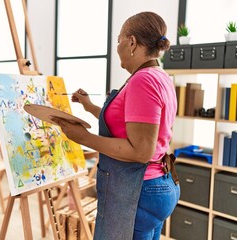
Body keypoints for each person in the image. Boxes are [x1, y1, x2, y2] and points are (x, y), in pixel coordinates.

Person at [51, 11, 180, 240]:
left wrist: (83, 138)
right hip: (157, 184)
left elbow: (140, 151)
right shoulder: (159, 76)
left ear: (132, 42)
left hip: (138, 190)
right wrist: (90, 106)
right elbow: (130, 125)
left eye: (119, 39)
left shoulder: (143, 80)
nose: (117, 46)